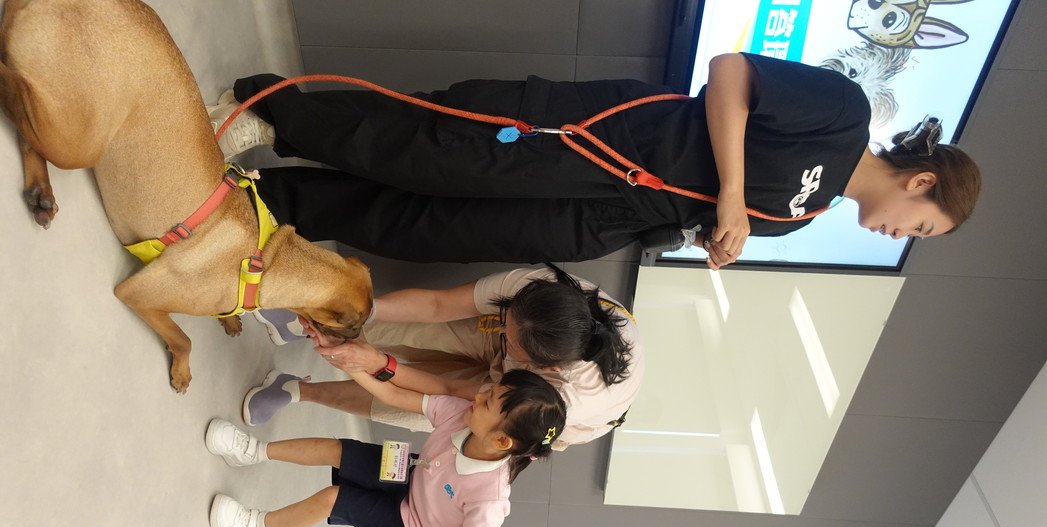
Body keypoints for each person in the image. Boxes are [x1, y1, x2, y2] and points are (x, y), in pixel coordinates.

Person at [208, 52, 982, 269]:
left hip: (602, 220)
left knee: (430, 230)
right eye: (920, 225)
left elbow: (702, 213)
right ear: (920, 182)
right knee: (433, 150)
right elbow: (730, 75)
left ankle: (271, 202)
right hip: (607, 140)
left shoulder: (803, 218)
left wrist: (712, 239)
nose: (900, 234)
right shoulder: (843, 113)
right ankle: (270, 113)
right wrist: (731, 195)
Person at [243, 264, 643, 451]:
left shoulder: (557, 399)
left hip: (532, 405)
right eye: (506, 321)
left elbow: (448, 388)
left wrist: (376, 364)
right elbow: (437, 305)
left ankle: (298, 390)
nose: (501, 332)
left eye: (509, 339)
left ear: (544, 367)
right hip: (535, 350)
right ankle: (306, 323)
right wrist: (357, 315)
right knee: (409, 329)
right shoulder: (538, 292)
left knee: (408, 405)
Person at [206, 366, 567, 527]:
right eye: (489, 391)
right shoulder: (461, 414)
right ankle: (252, 451)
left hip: (410, 523)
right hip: (414, 473)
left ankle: (252, 526)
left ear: (502, 441)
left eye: (488, 402)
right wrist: (355, 366)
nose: (479, 396)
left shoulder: (489, 498)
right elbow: (393, 395)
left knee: (333, 498)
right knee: (339, 449)